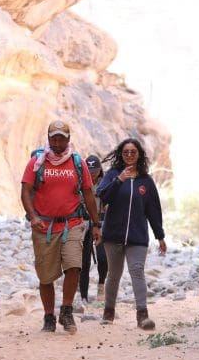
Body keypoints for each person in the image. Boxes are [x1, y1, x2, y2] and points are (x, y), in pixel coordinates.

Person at [20, 120, 101, 334]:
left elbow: (89, 194)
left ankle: (66, 310)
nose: (57, 142)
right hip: (43, 227)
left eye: (61, 138)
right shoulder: (37, 162)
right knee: (45, 277)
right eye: (53, 138)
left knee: (74, 266)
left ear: (68, 139)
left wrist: (96, 223)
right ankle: (48, 316)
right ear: (48, 138)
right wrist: (33, 216)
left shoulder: (77, 162)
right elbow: (25, 191)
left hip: (72, 223)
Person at [96, 137, 167, 330]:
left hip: (137, 236)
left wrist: (160, 236)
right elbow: (103, 196)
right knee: (114, 274)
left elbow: (153, 211)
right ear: (121, 154)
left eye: (133, 152)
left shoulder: (146, 181)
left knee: (137, 271)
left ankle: (142, 316)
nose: (129, 155)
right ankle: (108, 312)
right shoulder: (113, 174)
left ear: (139, 155)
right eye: (125, 152)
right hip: (113, 235)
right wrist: (119, 181)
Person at [80, 154, 109, 304]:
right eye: (89, 171)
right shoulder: (79, 183)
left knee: (103, 258)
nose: (92, 174)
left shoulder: (105, 183)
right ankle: (83, 295)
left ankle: (101, 285)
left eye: (95, 171)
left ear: (100, 170)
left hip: (101, 222)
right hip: (84, 222)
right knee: (84, 261)